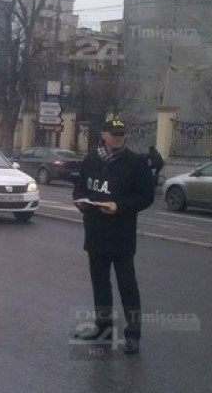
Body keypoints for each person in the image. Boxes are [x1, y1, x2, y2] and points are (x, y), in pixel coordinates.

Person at [72, 119, 154, 355]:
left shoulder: (135, 162)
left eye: (121, 134)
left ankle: (133, 334)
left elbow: (146, 196)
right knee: (100, 283)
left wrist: (119, 206)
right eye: (114, 133)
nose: (118, 138)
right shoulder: (91, 160)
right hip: (96, 231)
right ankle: (103, 327)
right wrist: (80, 201)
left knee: (127, 286)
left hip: (121, 234)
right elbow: (80, 188)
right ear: (103, 135)